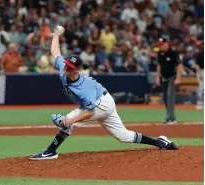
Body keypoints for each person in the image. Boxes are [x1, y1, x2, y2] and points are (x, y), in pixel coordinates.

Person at [30, 26, 178, 160]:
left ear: (77, 69)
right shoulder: (64, 69)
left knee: (68, 121)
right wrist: (56, 35)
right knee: (124, 136)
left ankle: (51, 151)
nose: (66, 69)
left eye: (70, 67)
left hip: (100, 104)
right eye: (66, 66)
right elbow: (55, 52)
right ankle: (160, 142)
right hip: (105, 100)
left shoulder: (84, 87)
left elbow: (89, 112)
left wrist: (68, 122)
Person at [156, 37, 183, 124]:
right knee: (165, 97)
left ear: (167, 44)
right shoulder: (160, 53)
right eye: (159, 45)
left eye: (162, 44)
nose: (160, 46)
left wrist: (178, 78)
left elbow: (179, 65)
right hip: (164, 78)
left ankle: (171, 118)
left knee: (170, 96)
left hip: (172, 78)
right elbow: (159, 65)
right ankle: (169, 117)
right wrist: (157, 77)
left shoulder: (173, 53)